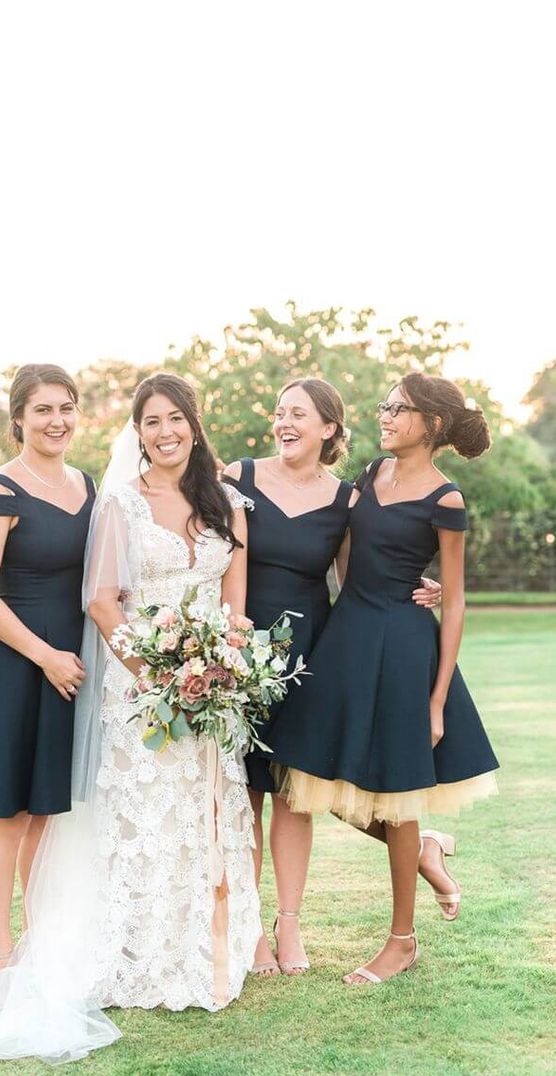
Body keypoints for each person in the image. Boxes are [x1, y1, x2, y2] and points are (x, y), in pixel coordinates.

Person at [0, 373, 261, 1062]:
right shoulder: (104, 500)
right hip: (127, 683)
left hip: (208, 687)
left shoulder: (212, 503)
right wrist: (163, 680)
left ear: (194, 422)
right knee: (112, 819)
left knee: (195, 820)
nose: (164, 432)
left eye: (176, 418)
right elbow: (101, 601)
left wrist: (222, 668)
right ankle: (24, 954)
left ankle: (202, 951)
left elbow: (235, 605)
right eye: (151, 421)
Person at [271, 373, 499, 985]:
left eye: (399, 408)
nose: (386, 415)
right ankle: (427, 851)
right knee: (307, 774)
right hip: (346, 639)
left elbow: (453, 600)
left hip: (403, 649)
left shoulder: (447, 501)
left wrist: (437, 698)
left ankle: (402, 941)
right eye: (386, 405)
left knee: (396, 798)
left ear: (433, 424)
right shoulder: (370, 475)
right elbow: (342, 550)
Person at [223, 378, 450, 978]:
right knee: (244, 796)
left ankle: (289, 925)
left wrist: (433, 589)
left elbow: (364, 579)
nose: (284, 421)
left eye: (299, 413)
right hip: (237, 649)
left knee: (296, 795)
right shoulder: (236, 478)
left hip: (310, 655)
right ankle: (249, 930)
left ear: (329, 429)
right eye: (279, 412)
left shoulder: (348, 500)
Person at [0, 364, 95, 999]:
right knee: (8, 814)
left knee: (47, 815)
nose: (56, 421)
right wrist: (45, 655)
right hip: (18, 665)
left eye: (66, 408)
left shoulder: (87, 485)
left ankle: (39, 943)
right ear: (19, 419)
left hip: (73, 669)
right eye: (43, 410)